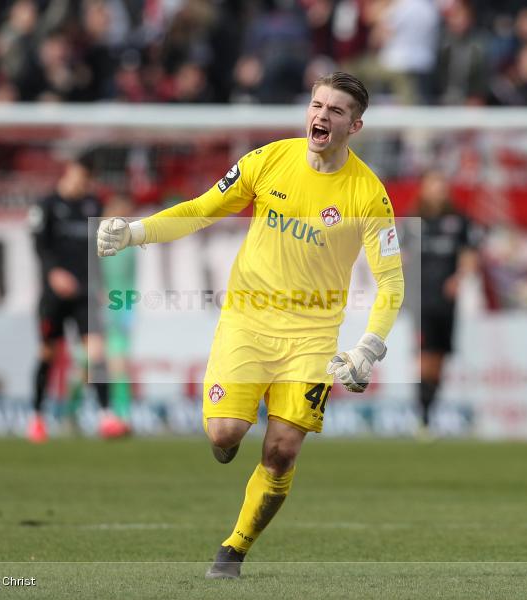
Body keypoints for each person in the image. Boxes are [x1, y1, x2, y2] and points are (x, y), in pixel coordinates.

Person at [97, 72, 404, 578]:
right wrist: (135, 232)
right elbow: (202, 209)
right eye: (316, 104)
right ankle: (228, 439)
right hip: (247, 320)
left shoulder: (369, 195)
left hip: (311, 335)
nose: (321, 115)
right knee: (223, 433)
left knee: (282, 451)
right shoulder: (268, 160)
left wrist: (368, 345)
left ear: (356, 125)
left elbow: (391, 281)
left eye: (336, 110)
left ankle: (234, 549)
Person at [27, 155, 128, 442]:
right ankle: (37, 418)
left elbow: (98, 249)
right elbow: (39, 247)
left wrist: (102, 284)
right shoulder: (45, 206)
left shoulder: (92, 205)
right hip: (53, 296)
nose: (81, 184)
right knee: (48, 353)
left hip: (85, 294)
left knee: (97, 353)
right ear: (68, 173)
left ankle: (106, 417)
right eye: (78, 178)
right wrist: (54, 274)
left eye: (85, 180)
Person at [414, 170, 480, 436]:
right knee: (425, 358)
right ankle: (423, 417)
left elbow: (469, 255)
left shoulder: (460, 221)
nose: (439, 190)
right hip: (422, 299)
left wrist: (459, 277)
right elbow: (397, 254)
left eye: (442, 185)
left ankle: (429, 414)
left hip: (447, 301)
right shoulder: (413, 220)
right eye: (433, 185)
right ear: (424, 189)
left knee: (440, 360)